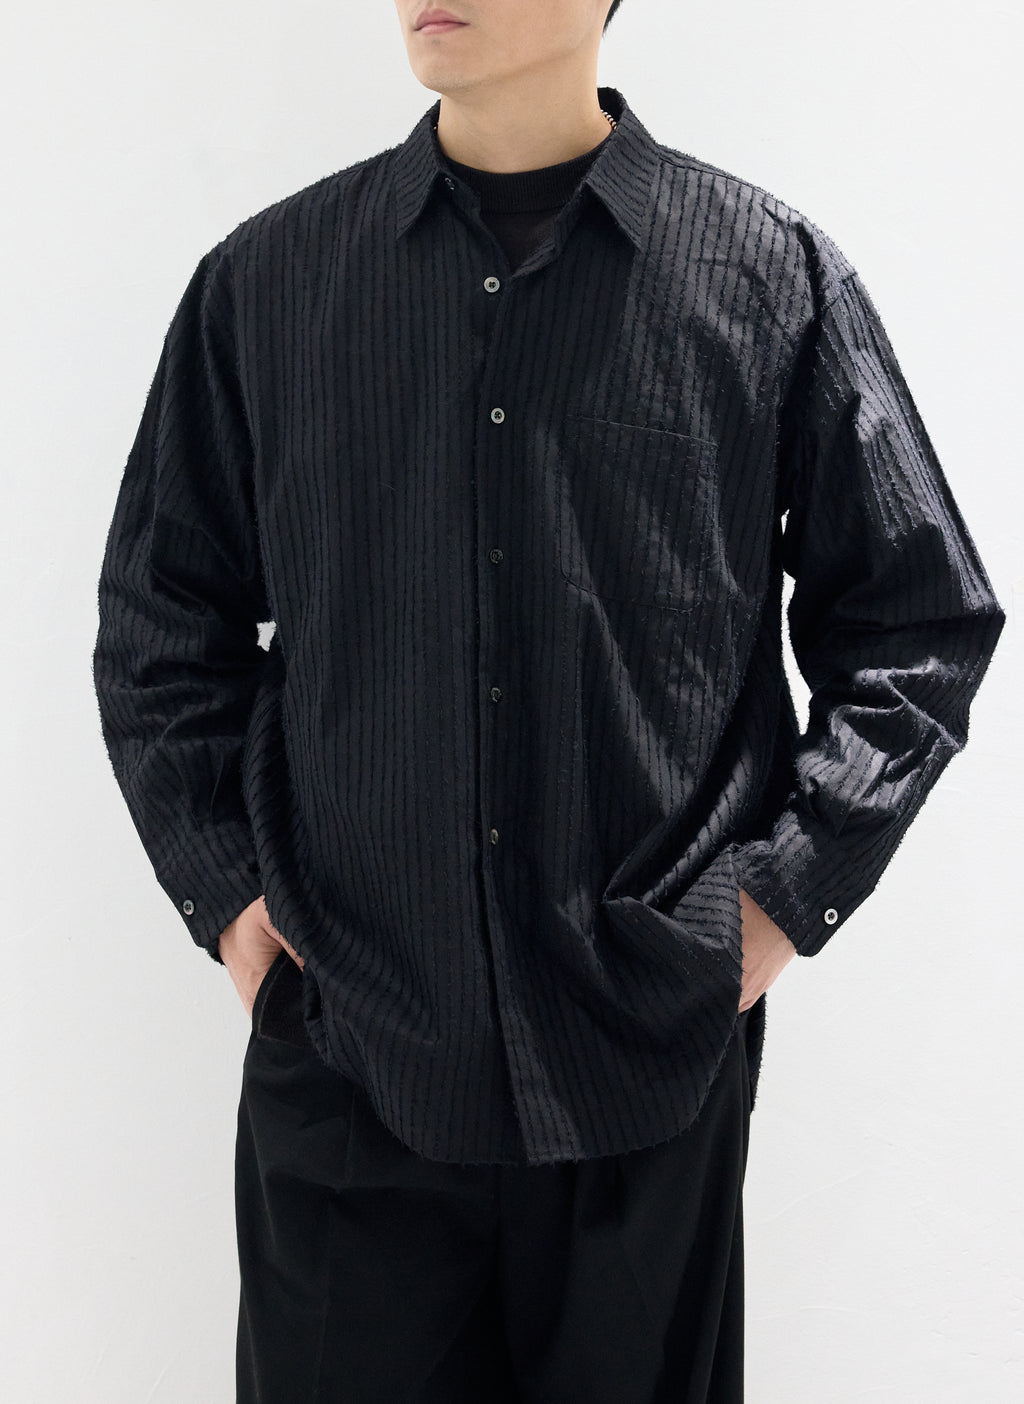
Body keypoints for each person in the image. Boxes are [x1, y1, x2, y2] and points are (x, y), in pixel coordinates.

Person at [92, 1, 1004, 1399]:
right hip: (352, 1061)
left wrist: (777, 903)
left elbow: (919, 619)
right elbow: (162, 623)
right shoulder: (268, 284)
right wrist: (231, 903)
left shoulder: (765, 275)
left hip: (647, 1066)